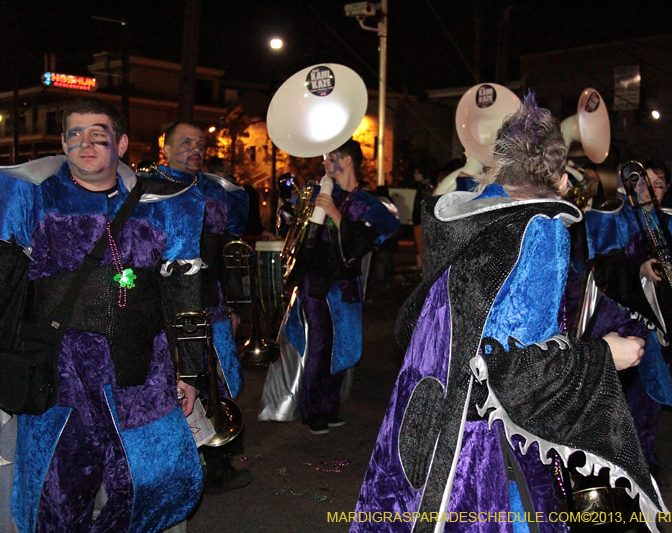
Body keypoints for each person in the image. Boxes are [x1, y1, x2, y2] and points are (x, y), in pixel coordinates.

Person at [352, 95, 664, 533]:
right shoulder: (540, 231)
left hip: (420, 422)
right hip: (482, 446)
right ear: (555, 172)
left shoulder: (464, 216)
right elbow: (512, 369)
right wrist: (601, 355)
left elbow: (423, 327)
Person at [0, 98, 206, 532]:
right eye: (74, 134)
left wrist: (190, 370)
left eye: (98, 134)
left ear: (123, 144)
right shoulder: (32, 197)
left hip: (140, 372)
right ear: (62, 143)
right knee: (54, 496)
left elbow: (184, 293)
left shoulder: (165, 205)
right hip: (58, 374)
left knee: (160, 479)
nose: (85, 143)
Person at [259, 139, 400, 434]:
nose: (323, 162)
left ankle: (329, 406)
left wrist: (335, 215)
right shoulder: (316, 193)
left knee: (343, 346)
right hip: (316, 282)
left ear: (347, 161)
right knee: (320, 344)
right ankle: (313, 410)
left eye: (330, 157)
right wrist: (289, 213)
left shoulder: (367, 203)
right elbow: (290, 224)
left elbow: (368, 240)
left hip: (345, 285)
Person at [581, 160, 672, 477]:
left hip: (659, 324)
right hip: (618, 319)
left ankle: (642, 460)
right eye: (642, 181)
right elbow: (602, 266)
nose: (649, 188)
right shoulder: (612, 219)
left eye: (658, 182)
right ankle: (604, 460)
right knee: (613, 392)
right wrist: (638, 268)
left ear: (667, 189)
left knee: (646, 397)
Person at [157, 122, 251, 494]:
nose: (195, 149)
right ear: (165, 148)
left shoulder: (216, 190)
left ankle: (216, 464)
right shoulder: (148, 190)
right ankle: (180, 469)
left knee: (224, 380)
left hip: (211, 300)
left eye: (200, 144)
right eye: (185, 143)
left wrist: (233, 303)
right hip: (167, 306)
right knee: (176, 386)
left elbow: (226, 250)